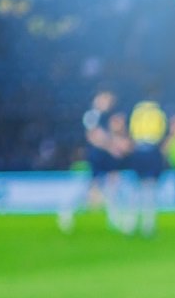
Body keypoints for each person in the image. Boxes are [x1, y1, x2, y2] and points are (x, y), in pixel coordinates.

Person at [58, 89, 120, 233]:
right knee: (92, 188)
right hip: (97, 155)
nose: (108, 103)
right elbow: (94, 137)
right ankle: (67, 210)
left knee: (111, 184)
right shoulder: (91, 115)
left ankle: (113, 218)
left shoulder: (106, 117)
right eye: (105, 99)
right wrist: (111, 147)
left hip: (105, 155)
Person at [129, 98, 168, 237]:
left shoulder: (137, 112)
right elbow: (161, 132)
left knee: (136, 189)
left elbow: (132, 131)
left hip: (139, 150)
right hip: (152, 150)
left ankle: (131, 224)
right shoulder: (158, 113)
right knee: (150, 190)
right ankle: (148, 226)